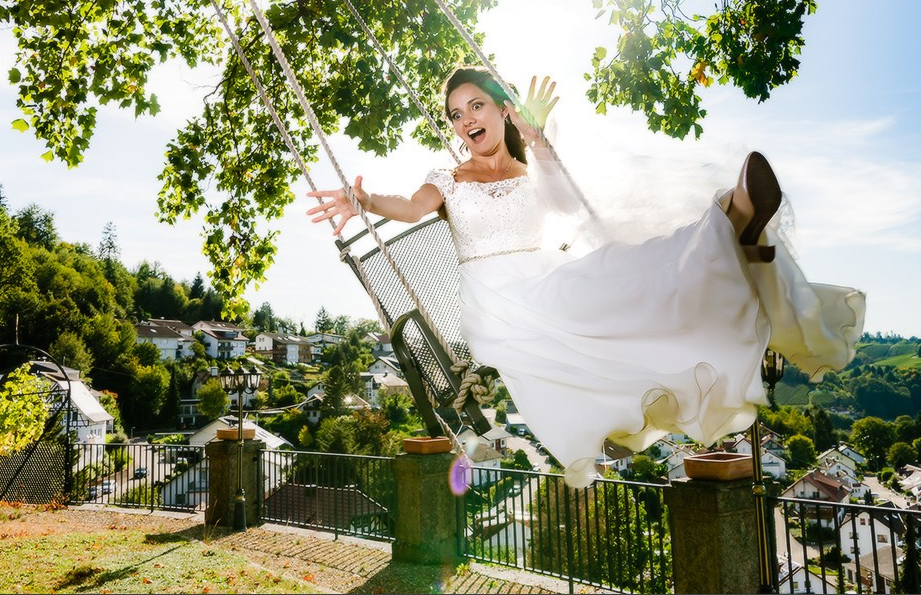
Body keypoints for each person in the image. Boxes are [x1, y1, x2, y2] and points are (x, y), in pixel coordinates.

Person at [308, 66, 865, 488]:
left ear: (503, 111)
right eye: (456, 114)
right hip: (498, 303)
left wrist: (540, 136)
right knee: (602, 289)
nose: (466, 121)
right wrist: (363, 199)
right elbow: (408, 206)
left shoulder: (532, 172)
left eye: (476, 105)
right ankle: (728, 231)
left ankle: (730, 223)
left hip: (547, 281)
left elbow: (568, 206)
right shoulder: (447, 178)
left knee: (622, 273)